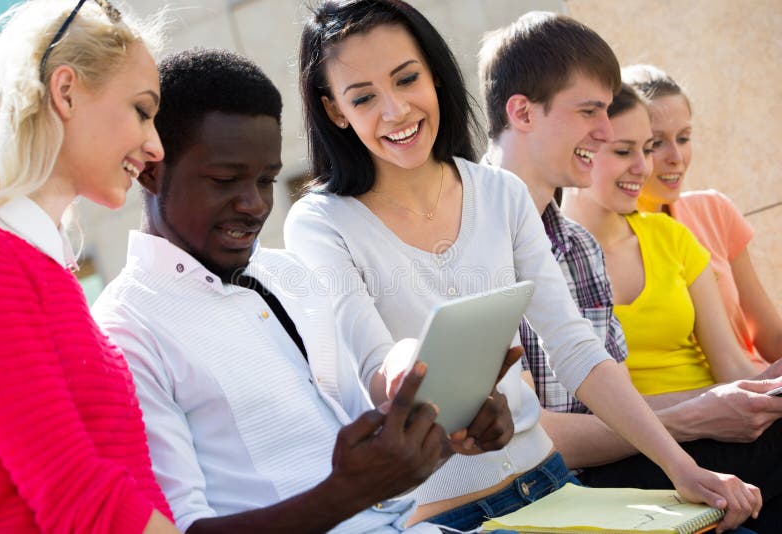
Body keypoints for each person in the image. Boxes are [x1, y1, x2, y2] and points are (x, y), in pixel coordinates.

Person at [284, 2, 760, 531]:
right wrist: (413, 372)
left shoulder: (499, 192)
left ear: (435, 75)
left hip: (553, 484)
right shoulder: (318, 222)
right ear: (335, 111)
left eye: (407, 79)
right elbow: (374, 362)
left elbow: (576, 347)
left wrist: (680, 466)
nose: (395, 111)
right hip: (443, 518)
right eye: (364, 97)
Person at [92, 47, 517, 534]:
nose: (254, 205)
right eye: (225, 180)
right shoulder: (124, 331)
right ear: (150, 169)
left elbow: (371, 464)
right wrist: (348, 492)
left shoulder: (286, 276)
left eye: (266, 180)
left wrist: (450, 429)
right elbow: (183, 529)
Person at [0, 1, 178, 532]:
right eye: (142, 110)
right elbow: (78, 496)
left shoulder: (43, 267)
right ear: (65, 91)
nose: (156, 146)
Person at [558, 83, 782, 531]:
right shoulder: (551, 257)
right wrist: (705, 408)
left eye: (647, 148)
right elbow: (579, 415)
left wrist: (764, 389)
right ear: (582, 153)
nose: (645, 167)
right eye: (626, 151)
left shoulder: (671, 236)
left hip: (721, 427)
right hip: (641, 448)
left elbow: (732, 368)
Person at [623, 64, 782, 369]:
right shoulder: (609, 244)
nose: (676, 157)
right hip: (705, 405)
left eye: (683, 138)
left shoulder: (715, 211)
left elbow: (770, 336)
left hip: (757, 385)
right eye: (656, 143)